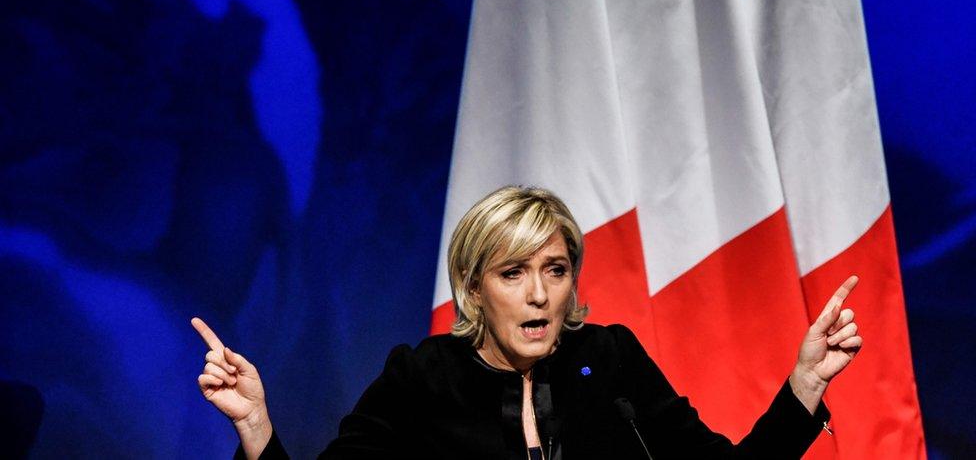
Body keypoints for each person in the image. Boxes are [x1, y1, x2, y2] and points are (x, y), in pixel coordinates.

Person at [193, 186, 862, 459]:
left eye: (556, 269)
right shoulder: (424, 374)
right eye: (513, 273)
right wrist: (256, 425)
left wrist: (804, 385)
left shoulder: (611, 359)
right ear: (474, 285)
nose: (540, 294)